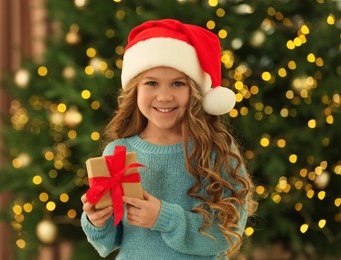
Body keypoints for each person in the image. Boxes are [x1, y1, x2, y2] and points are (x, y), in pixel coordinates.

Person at [81, 19, 256, 259]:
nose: (164, 96)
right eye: (151, 83)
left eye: (178, 83)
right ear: (135, 90)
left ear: (195, 90)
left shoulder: (217, 150)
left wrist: (164, 218)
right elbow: (110, 240)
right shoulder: (117, 152)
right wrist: (96, 220)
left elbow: (227, 233)